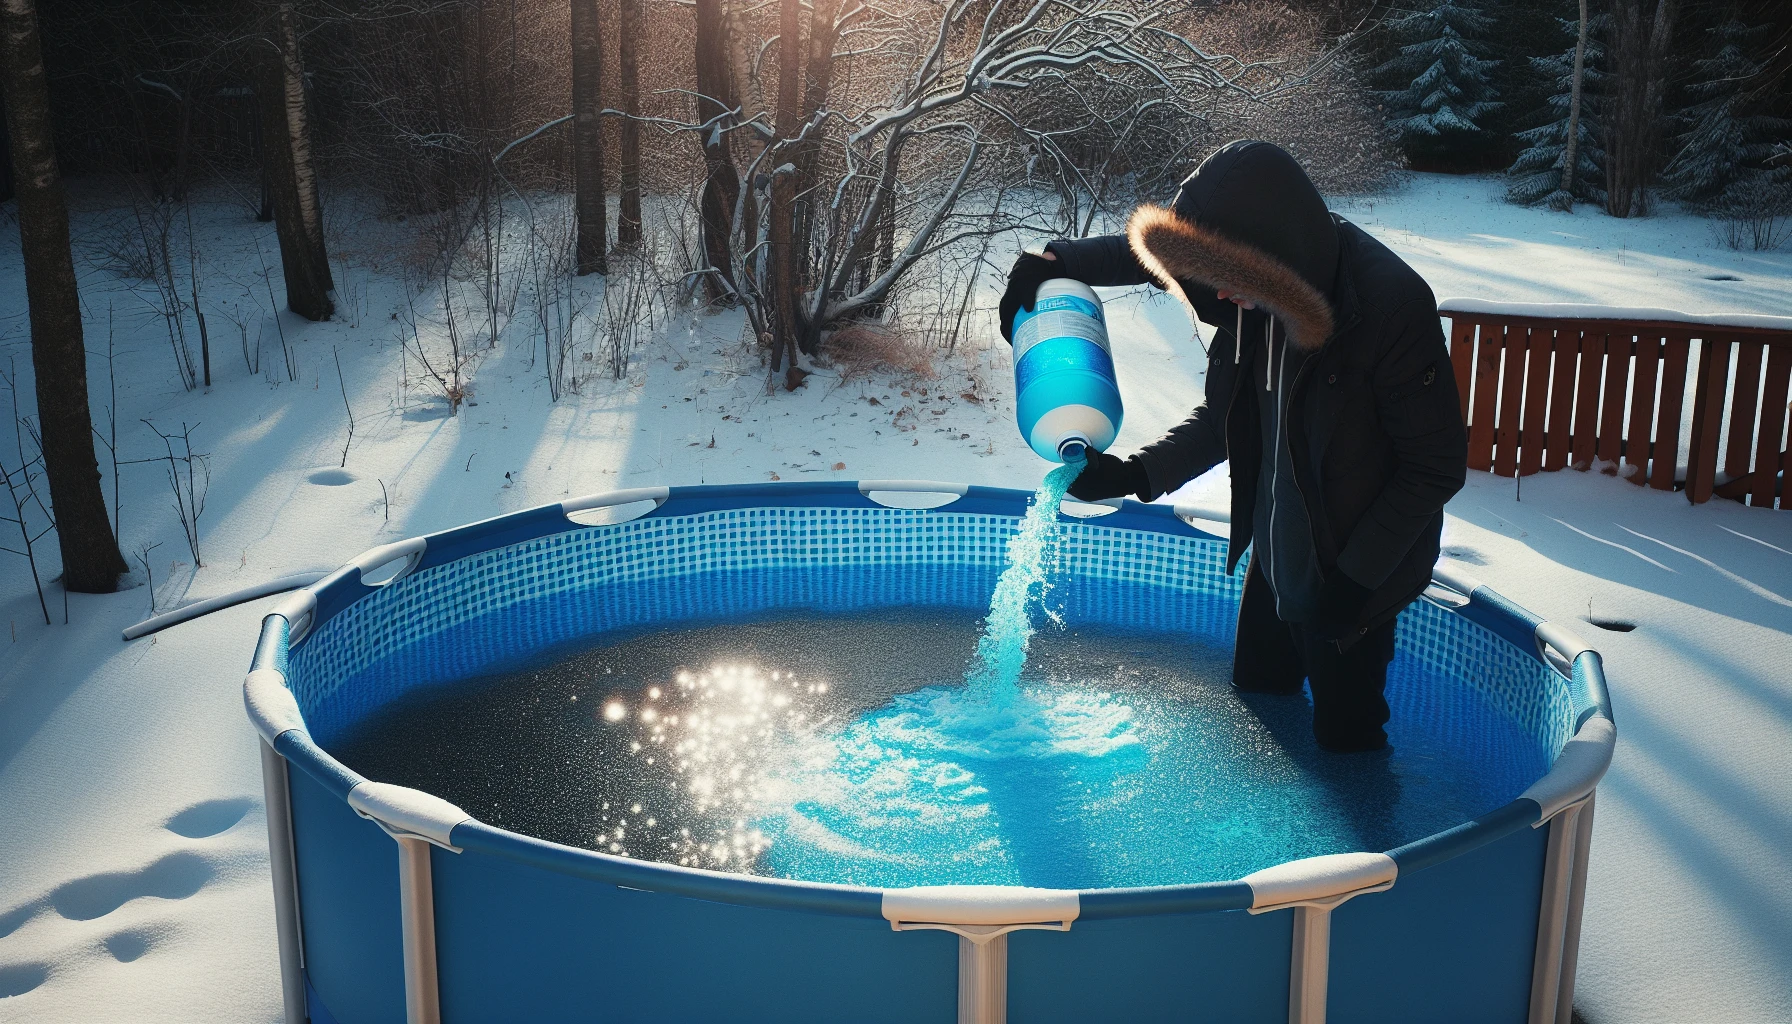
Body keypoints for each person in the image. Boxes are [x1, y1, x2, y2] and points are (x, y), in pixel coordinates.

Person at [1001, 141, 1467, 752]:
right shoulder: (1250, 292)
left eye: (1231, 282)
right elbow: (1223, 419)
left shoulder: (1388, 308)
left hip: (1351, 575)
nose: (1220, 299)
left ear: (1274, 261)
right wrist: (1057, 261)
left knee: (1347, 746)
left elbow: (1435, 468)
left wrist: (1354, 586)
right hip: (1275, 560)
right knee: (1259, 700)